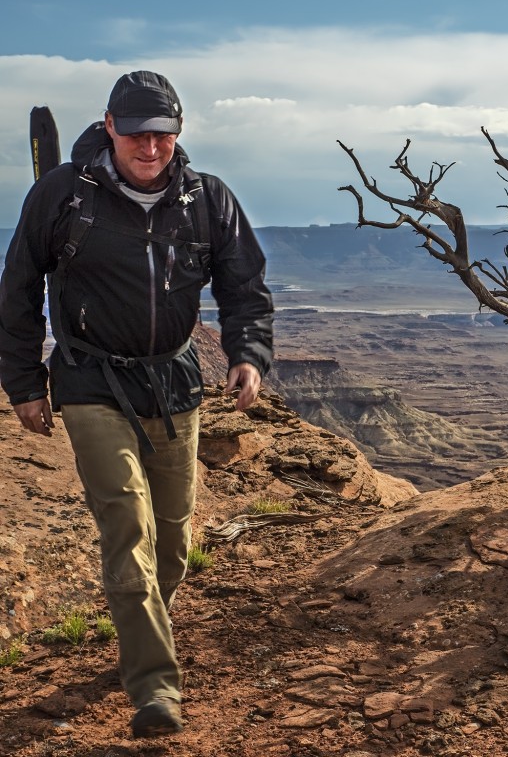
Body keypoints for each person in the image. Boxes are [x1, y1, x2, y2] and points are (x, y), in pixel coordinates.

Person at [0, 71, 274, 738]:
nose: (149, 147)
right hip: (90, 378)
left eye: (162, 134)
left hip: (173, 379)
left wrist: (248, 355)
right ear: (111, 125)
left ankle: (143, 616)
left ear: (177, 133)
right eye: (137, 133)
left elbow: (245, 289)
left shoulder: (208, 200)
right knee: (128, 525)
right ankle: (155, 688)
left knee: (174, 538)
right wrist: (25, 384)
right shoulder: (64, 196)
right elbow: (18, 288)